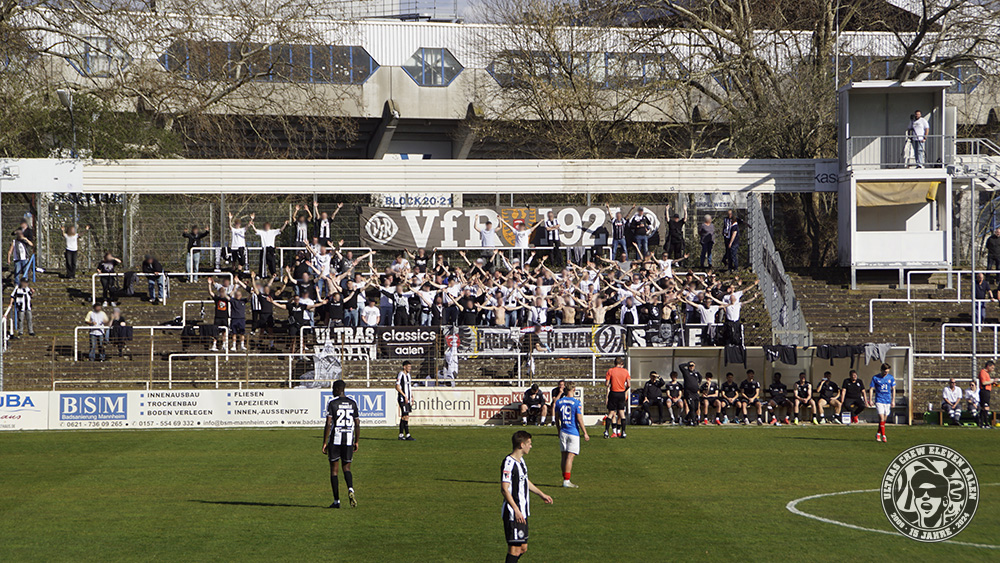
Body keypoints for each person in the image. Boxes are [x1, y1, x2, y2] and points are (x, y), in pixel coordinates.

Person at [501, 431, 553, 563]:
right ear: (521, 445)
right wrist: (516, 510)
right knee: (514, 549)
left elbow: (524, 481)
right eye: (529, 443)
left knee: (523, 548)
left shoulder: (521, 462)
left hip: (522, 512)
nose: (531, 446)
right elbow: (504, 489)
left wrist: (541, 494)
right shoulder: (509, 463)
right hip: (513, 514)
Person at [322, 379, 360, 509]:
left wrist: (325, 442)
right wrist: (356, 441)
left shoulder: (332, 403)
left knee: (334, 470)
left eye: (333, 389)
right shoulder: (353, 403)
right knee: (347, 468)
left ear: (338, 389)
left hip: (335, 440)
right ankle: (350, 488)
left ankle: (336, 501)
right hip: (348, 439)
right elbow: (357, 423)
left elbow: (328, 423)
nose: (332, 391)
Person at [555, 382, 589, 488]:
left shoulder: (559, 402)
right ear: (574, 389)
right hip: (573, 432)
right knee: (570, 457)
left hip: (563, 431)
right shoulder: (576, 402)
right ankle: (566, 480)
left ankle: (565, 478)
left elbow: (556, 418)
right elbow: (579, 418)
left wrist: (558, 430)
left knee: (564, 456)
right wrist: (585, 432)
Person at [604, 357, 631, 438]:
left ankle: (606, 432)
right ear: (621, 363)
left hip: (613, 393)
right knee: (622, 413)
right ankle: (623, 432)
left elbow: (607, 384)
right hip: (621, 393)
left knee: (611, 413)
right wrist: (624, 389)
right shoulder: (625, 371)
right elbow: (629, 384)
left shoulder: (611, 371)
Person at [870, 363, 896, 442]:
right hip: (879, 400)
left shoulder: (891, 378)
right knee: (881, 418)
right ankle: (884, 436)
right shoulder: (875, 378)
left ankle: (878, 433)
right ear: (881, 370)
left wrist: (893, 400)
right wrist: (870, 399)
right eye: (885, 372)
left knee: (884, 420)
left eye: (887, 372)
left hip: (887, 401)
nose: (886, 373)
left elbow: (893, 389)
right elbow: (871, 389)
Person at [395, 360, 415, 440]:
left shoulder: (408, 375)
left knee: (406, 416)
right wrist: (404, 396)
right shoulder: (401, 374)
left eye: (410, 367)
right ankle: (406, 434)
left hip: (408, 399)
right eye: (408, 366)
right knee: (404, 416)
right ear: (404, 367)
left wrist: (411, 396)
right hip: (402, 399)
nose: (410, 368)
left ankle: (403, 435)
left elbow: (409, 387)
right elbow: (397, 386)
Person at [679, 361, 702, 426]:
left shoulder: (696, 373)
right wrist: (687, 364)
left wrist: (698, 383)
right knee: (691, 407)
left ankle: (686, 418)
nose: (691, 367)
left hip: (695, 393)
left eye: (693, 366)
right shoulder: (686, 372)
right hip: (689, 393)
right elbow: (680, 366)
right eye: (690, 366)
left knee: (696, 407)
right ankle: (694, 421)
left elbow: (700, 377)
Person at [978, 360, 994, 429]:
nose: (992, 369)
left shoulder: (986, 373)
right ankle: (985, 424)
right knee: (985, 407)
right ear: (988, 366)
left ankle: (982, 423)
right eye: (992, 368)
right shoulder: (983, 372)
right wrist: (992, 381)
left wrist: (992, 383)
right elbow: (984, 382)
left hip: (987, 391)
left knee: (984, 407)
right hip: (984, 391)